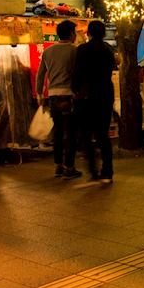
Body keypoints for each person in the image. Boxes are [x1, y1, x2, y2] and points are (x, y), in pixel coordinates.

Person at [36, 20, 81, 180]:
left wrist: (40, 95)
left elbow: (40, 75)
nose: (76, 36)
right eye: (75, 33)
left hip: (53, 95)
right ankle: (70, 167)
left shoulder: (48, 51)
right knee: (71, 133)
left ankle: (58, 166)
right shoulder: (75, 51)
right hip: (70, 96)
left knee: (58, 131)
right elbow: (79, 75)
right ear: (70, 34)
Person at [72, 20, 116, 182]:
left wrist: (75, 90)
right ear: (103, 33)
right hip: (105, 94)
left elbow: (77, 74)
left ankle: (93, 170)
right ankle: (108, 172)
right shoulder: (108, 50)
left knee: (86, 134)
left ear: (88, 33)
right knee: (103, 135)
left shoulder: (82, 50)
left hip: (87, 97)